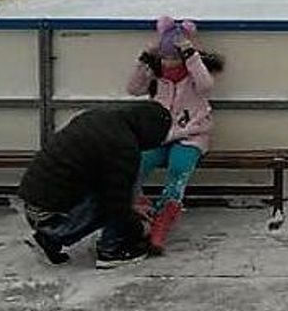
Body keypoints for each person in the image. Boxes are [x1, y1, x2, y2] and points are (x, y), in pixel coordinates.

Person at [18, 102, 172, 269]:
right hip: (50, 213)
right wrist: (139, 228)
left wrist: (131, 210)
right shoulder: (122, 146)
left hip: (34, 205)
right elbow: (115, 203)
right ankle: (111, 250)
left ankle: (49, 239)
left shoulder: (100, 118)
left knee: (112, 192)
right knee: (112, 202)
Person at [127, 16, 224, 255]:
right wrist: (143, 61)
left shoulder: (194, 73)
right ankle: (137, 207)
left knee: (178, 169)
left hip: (191, 134)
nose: (169, 62)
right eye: (165, 57)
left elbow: (206, 85)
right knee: (135, 164)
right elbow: (133, 89)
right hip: (157, 135)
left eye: (174, 57)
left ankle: (163, 221)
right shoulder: (156, 75)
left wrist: (191, 56)